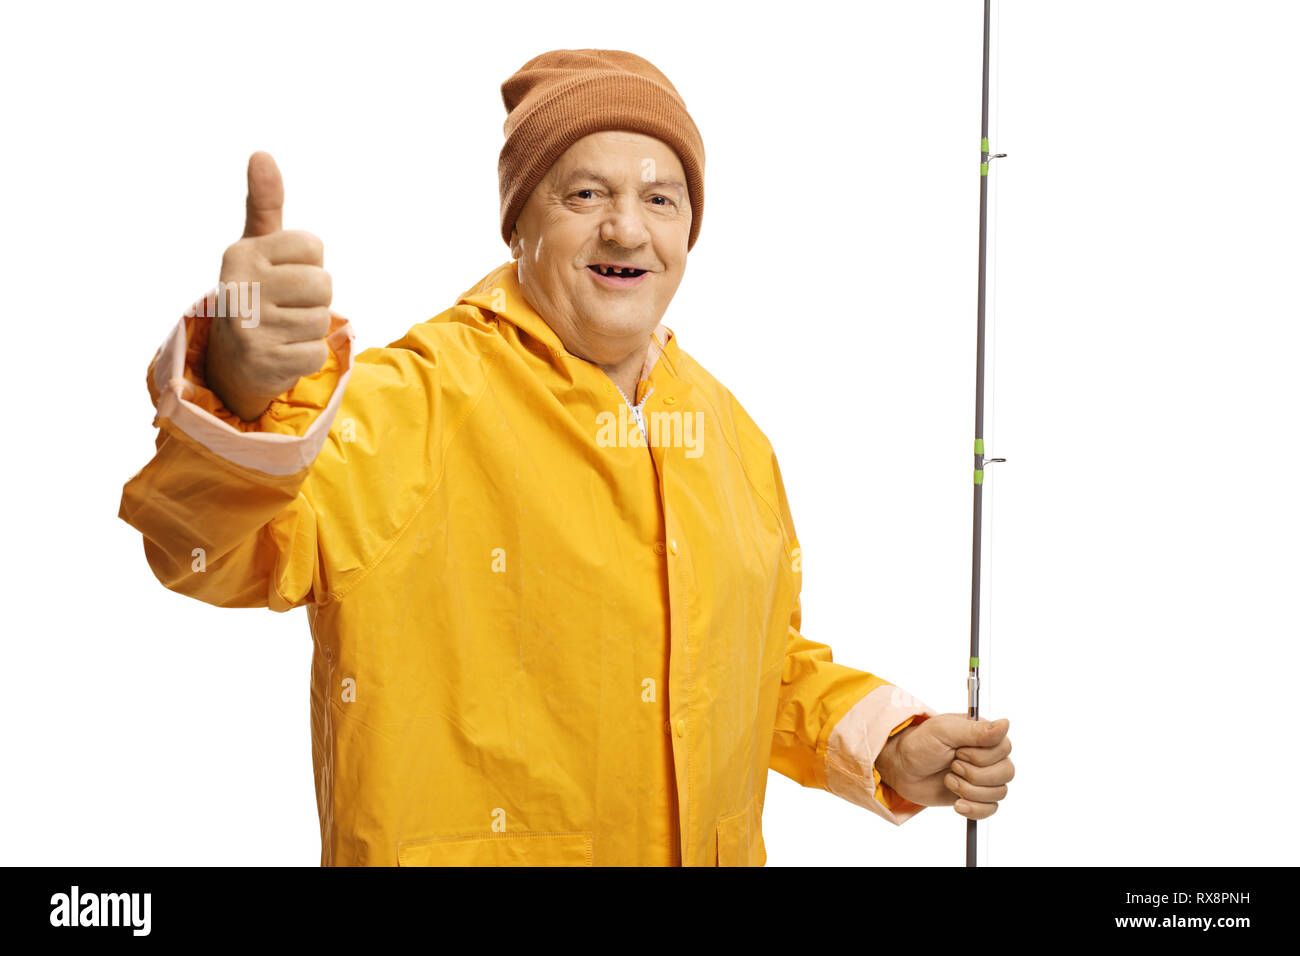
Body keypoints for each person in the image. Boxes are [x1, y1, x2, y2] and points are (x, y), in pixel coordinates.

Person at [118, 48, 1013, 866]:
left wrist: (892, 744)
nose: (627, 230)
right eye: (584, 195)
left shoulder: (731, 437)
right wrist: (237, 394)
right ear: (517, 225)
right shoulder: (412, 403)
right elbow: (207, 555)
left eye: (661, 198)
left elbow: (758, 673)